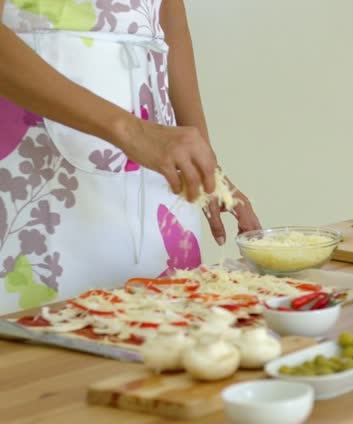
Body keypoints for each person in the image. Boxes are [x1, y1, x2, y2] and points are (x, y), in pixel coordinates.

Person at [0, 0, 261, 312]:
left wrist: (205, 164)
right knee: (42, 344)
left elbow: (170, 18)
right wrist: (131, 132)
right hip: (36, 172)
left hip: (156, 173)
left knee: (165, 334)